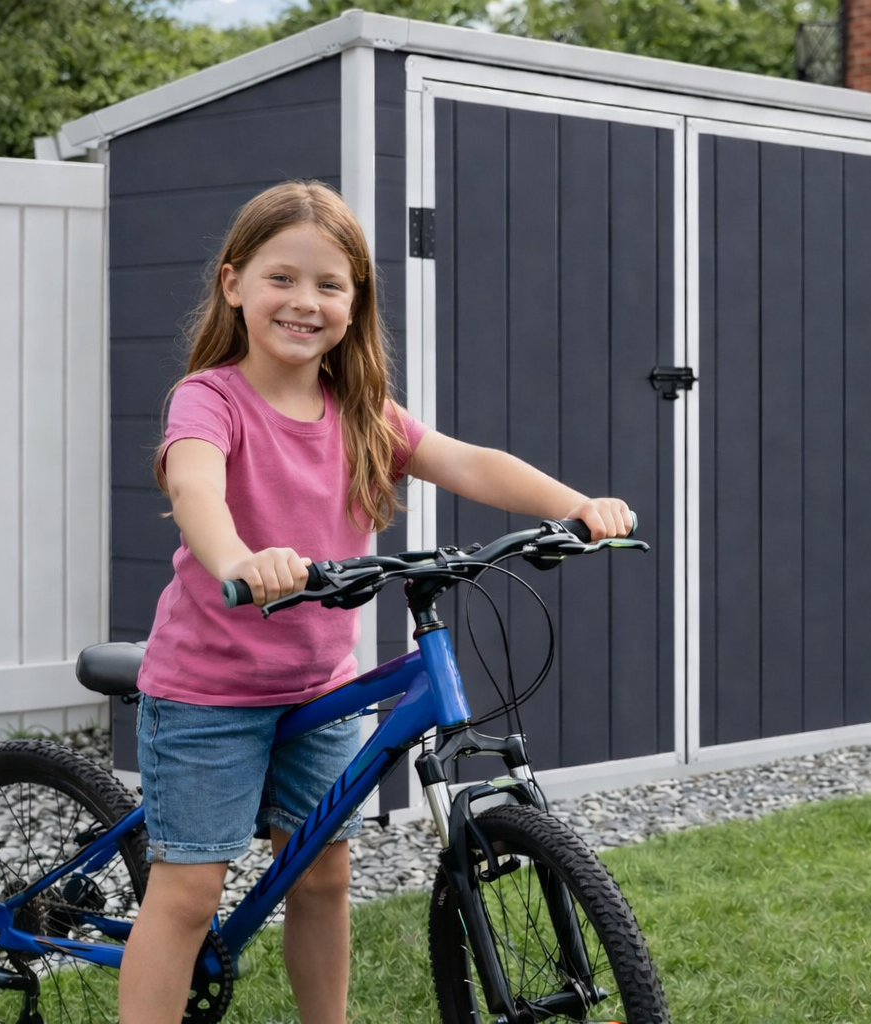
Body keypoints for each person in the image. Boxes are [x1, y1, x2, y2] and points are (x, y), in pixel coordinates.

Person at [118, 179, 633, 1024]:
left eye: (329, 285)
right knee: (187, 892)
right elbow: (196, 490)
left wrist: (574, 507)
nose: (304, 301)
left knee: (325, 875)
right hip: (210, 691)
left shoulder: (361, 413)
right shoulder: (209, 399)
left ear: (355, 306)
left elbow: (468, 461)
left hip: (319, 688)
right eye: (282, 278)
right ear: (234, 283)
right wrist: (243, 558)